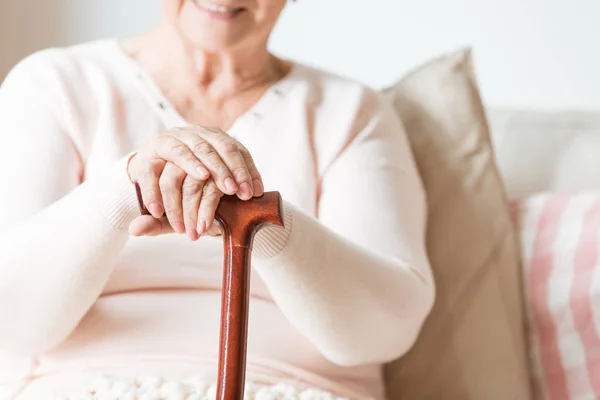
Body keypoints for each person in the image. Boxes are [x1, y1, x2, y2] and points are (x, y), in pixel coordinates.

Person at [0, 0, 435, 399]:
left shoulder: (351, 112)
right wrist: (129, 188)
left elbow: (383, 332)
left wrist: (261, 223)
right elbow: (15, 323)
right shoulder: (56, 84)